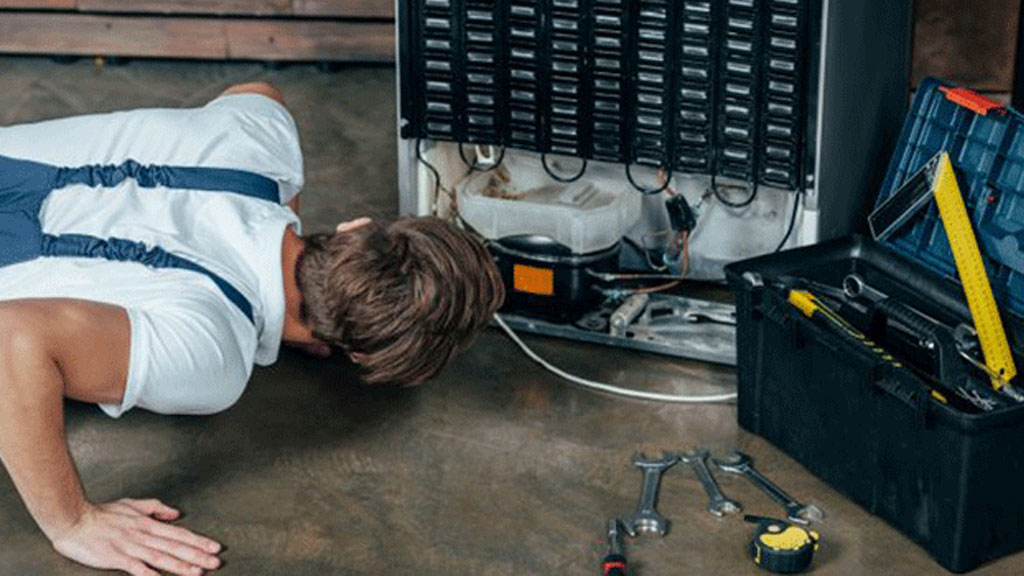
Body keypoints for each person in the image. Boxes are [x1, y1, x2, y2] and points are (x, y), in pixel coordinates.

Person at [0, 81, 505, 576]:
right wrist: (72, 522)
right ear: (362, 355)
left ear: (355, 227)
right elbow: (11, 341)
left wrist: (323, 285)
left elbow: (259, 91)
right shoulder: (213, 351)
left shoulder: (261, 137)